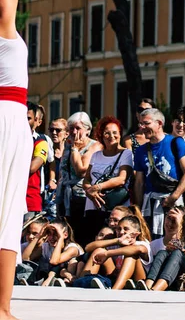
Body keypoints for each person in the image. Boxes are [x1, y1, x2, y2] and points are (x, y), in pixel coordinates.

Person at [0, 0, 46, 320]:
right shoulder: (3, 23)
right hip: (8, 118)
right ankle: (2, 310)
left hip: (8, 115)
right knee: (8, 211)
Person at [133, 108, 185, 238]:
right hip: (149, 206)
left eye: (146, 123)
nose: (142, 127)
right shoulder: (140, 151)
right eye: (140, 124)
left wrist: (174, 197)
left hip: (172, 203)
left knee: (174, 240)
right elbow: (139, 183)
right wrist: (137, 209)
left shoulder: (176, 143)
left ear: (159, 123)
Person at [82, 116, 134, 246]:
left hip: (114, 207)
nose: (111, 136)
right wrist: (90, 192)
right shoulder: (96, 155)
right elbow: (87, 179)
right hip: (93, 205)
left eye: (115, 132)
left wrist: (97, 187)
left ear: (120, 134)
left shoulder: (126, 154)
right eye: (107, 133)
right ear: (101, 135)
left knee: (112, 242)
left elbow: (122, 179)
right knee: (93, 240)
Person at [55, 112, 103, 241]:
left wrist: (75, 149)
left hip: (81, 197)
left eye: (78, 128)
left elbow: (81, 171)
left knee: (81, 234)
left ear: (87, 130)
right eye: (71, 128)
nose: (74, 132)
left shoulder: (94, 146)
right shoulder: (67, 145)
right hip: (64, 196)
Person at [81, 209, 153, 290]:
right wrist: (117, 240)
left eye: (126, 229)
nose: (121, 232)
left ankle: (115, 290)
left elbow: (138, 249)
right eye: (119, 229)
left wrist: (107, 254)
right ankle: (83, 282)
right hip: (116, 277)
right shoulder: (116, 244)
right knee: (99, 251)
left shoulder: (142, 244)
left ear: (136, 233)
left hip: (138, 280)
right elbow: (88, 248)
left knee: (131, 255)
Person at [21, 217, 83, 287]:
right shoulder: (46, 246)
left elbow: (54, 261)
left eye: (55, 234)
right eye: (49, 233)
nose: (51, 237)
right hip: (52, 276)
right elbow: (26, 258)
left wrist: (60, 238)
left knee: (72, 262)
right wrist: (38, 236)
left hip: (69, 277)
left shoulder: (72, 248)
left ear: (65, 235)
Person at [26, 101, 49, 219]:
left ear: (36, 120)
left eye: (28, 118)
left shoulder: (41, 143)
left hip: (29, 201)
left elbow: (32, 167)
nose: (24, 121)